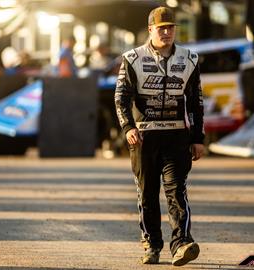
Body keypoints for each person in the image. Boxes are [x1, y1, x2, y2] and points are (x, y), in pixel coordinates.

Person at [114, 6, 204, 266]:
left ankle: (182, 244)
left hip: (177, 136)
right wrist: (128, 127)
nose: (166, 32)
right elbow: (121, 97)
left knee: (177, 190)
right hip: (143, 138)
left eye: (171, 27)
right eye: (161, 28)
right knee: (147, 193)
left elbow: (196, 102)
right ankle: (152, 245)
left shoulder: (189, 59)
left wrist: (198, 138)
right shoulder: (132, 58)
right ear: (150, 29)